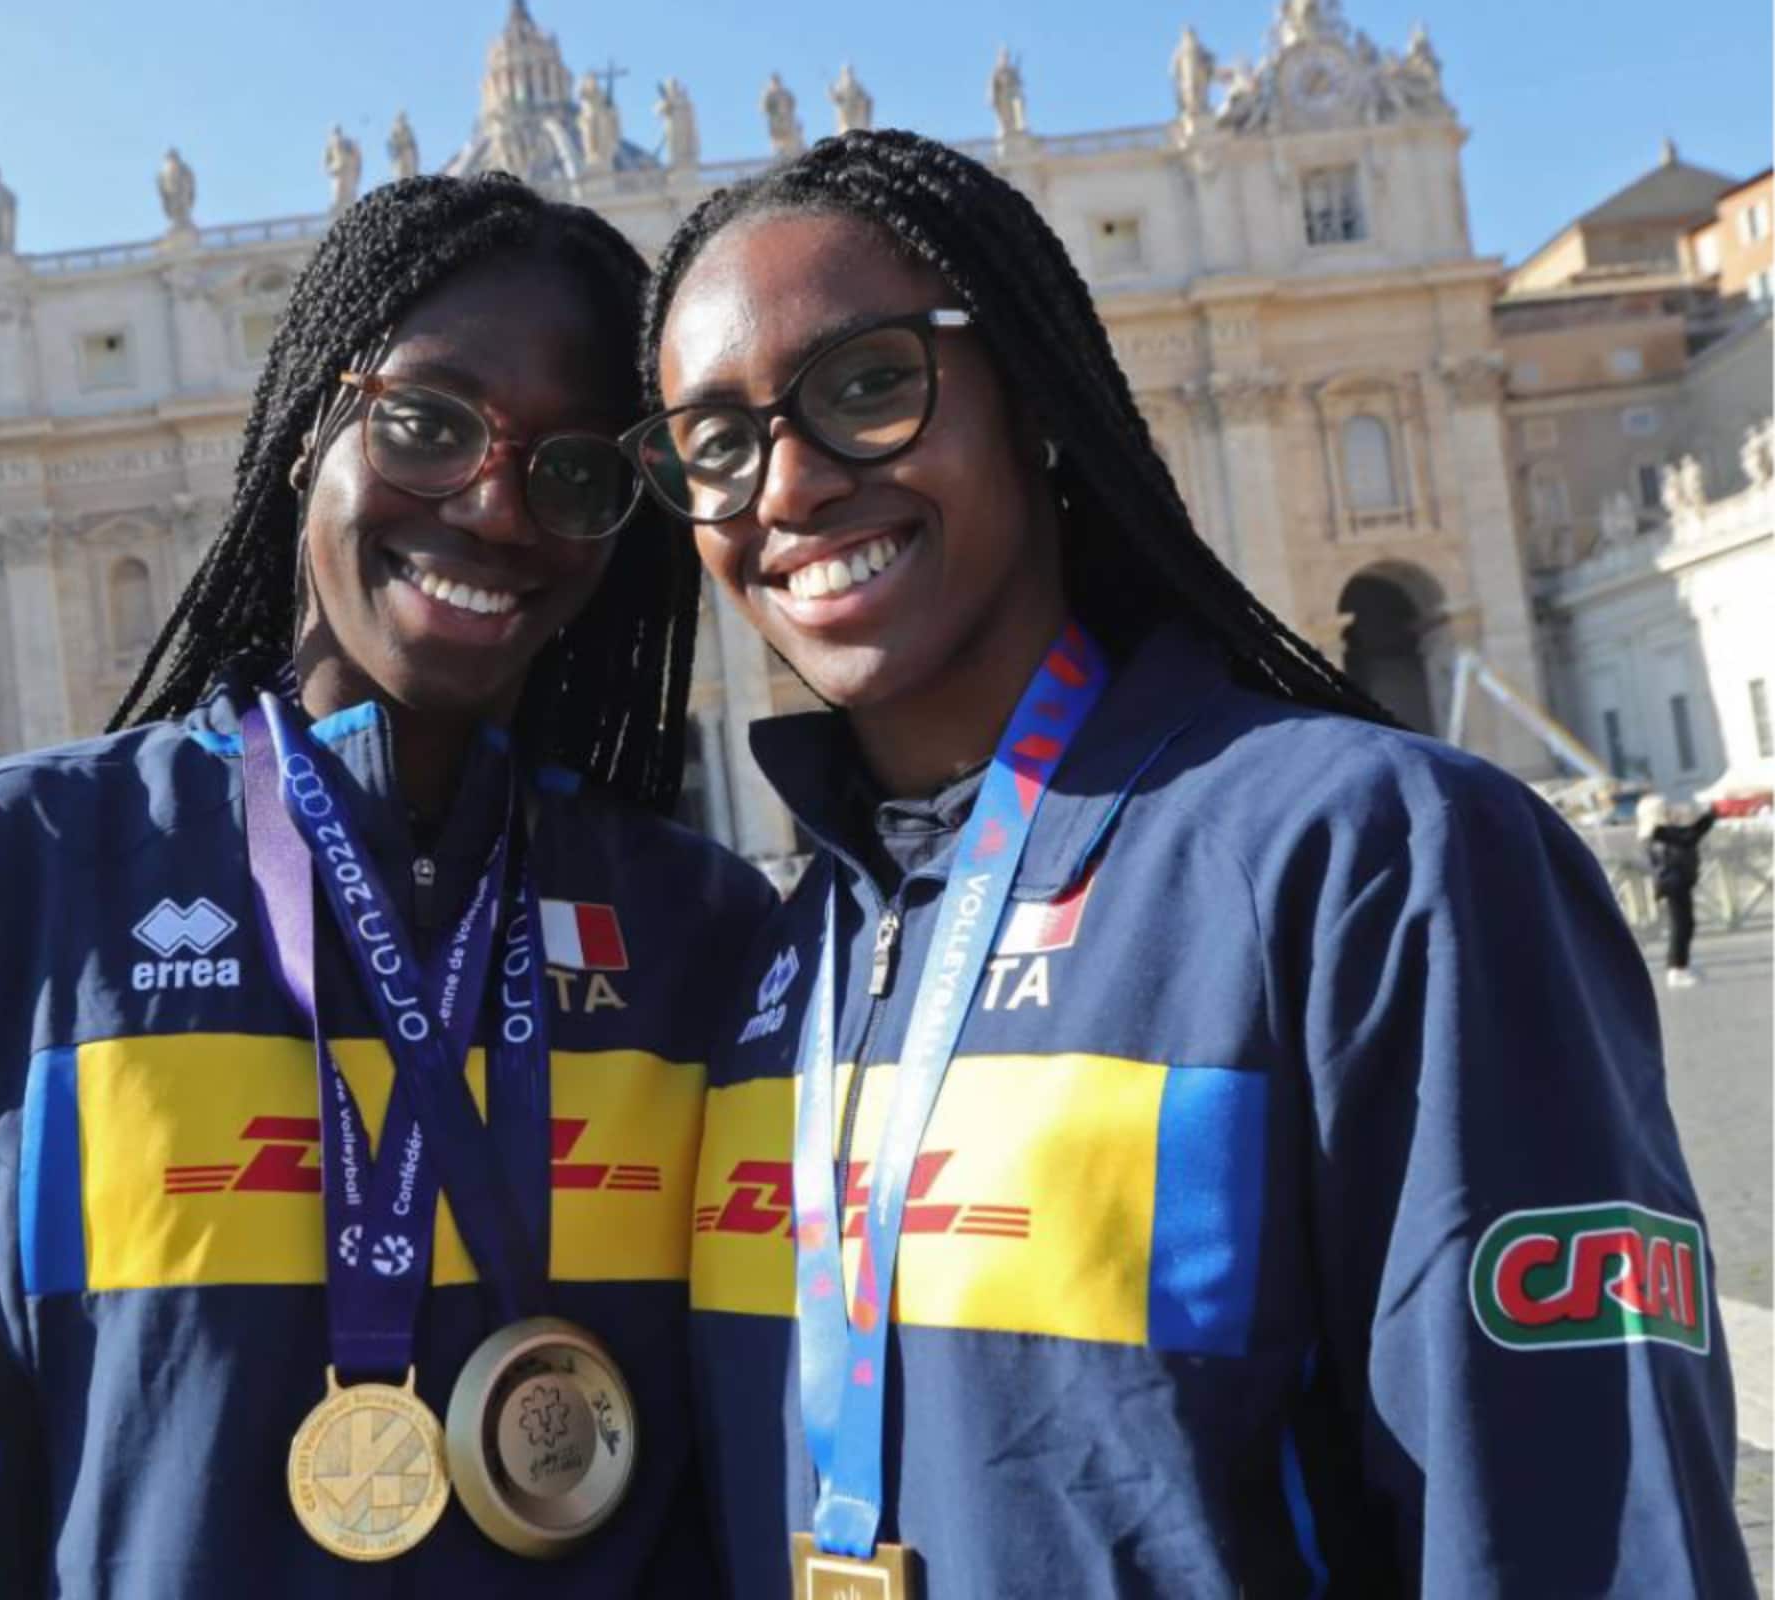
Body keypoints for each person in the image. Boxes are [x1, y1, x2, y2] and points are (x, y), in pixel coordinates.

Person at [628, 130, 1750, 1597]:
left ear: (1029, 393)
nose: (787, 484)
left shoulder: (1380, 861)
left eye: (870, 389)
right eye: (715, 443)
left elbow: (1577, 1536)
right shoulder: (792, 960)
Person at [0, 173, 771, 1597]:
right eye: (428, 422)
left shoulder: (704, 933)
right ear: (303, 429)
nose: (494, 503)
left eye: (574, 471)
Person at [1639, 794, 1719, 988]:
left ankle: (1682, 964)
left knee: (1686, 924)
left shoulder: (1661, 831)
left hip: (1678, 882)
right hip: (1673, 883)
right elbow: (1689, 837)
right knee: (1680, 926)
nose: (1670, 812)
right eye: (1665, 809)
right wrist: (1709, 817)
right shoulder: (1656, 832)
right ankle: (1676, 969)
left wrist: (1709, 816)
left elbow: (1690, 834)